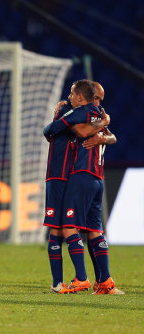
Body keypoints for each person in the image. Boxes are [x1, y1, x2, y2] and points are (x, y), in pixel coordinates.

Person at [43, 79, 122, 294]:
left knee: (67, 227)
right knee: (94, 231)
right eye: (96, 98)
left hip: (79, 177)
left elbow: (80, 132)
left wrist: (101, 136)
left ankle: (81, 279)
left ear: (80, 96)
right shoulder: (89, 113)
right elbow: (101, 134)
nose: (98, 104)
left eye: (100, 100)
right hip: (93, 178)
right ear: (90, 95)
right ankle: (104, 282)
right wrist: (104, 125)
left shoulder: (87, 113)